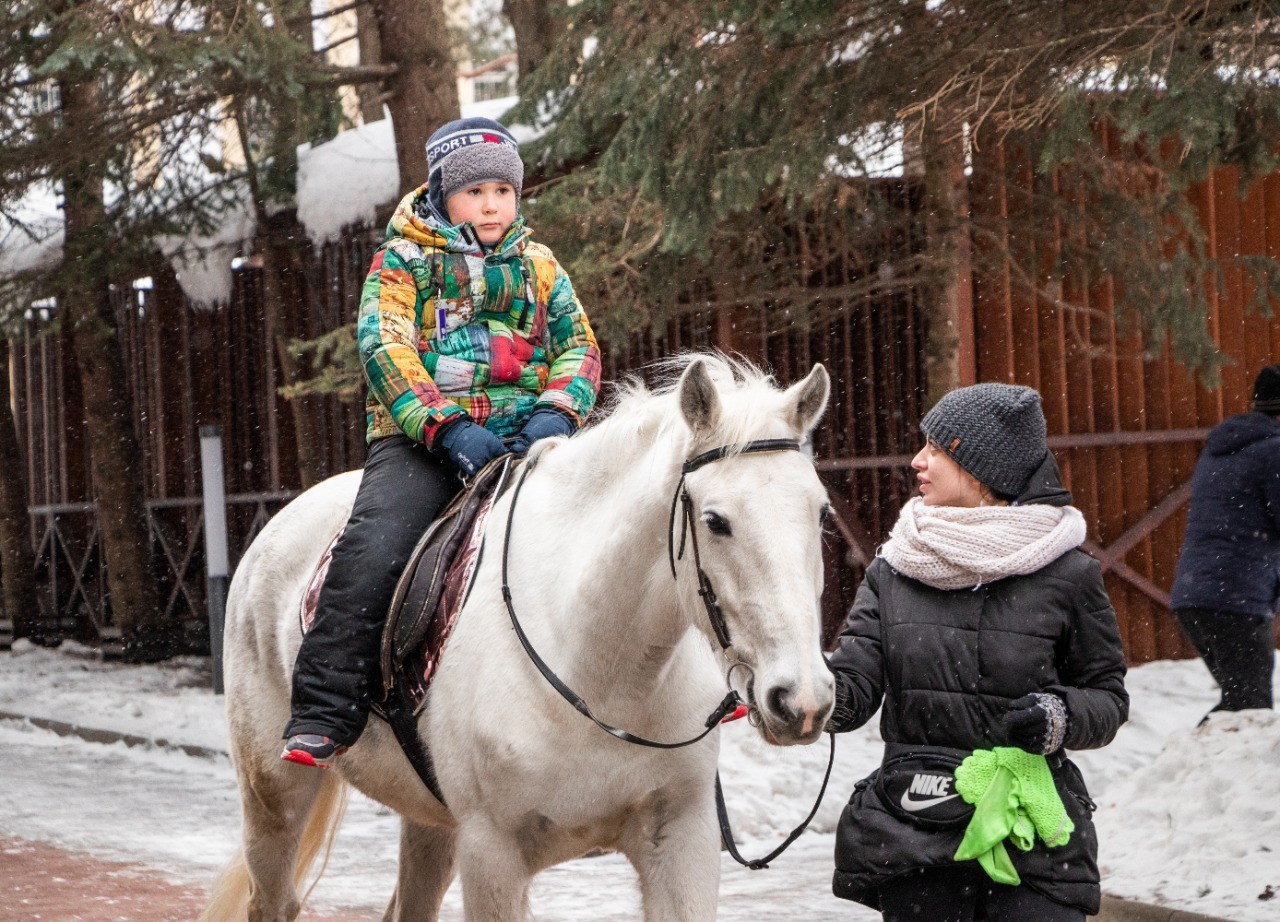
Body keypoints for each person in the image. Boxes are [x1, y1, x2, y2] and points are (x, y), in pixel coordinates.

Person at [280, 116, 602, 768]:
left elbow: (579, 348)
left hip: (530, 433)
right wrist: (446, 427)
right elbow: (385, 348)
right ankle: (325, 708)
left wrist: (556, 415)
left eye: (503, 191)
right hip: (423, 437)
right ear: (442, 195)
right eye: (474, 191)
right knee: (376, 545)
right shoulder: (402, 261)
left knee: (616, 528)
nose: (491, 204)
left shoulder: (540, 267)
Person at [825, 383, 1129, 922]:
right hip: (915, 835)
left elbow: (1105, 696)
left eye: (937, 449)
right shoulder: (893, 569)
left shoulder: (1069, 574)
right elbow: (851, 691)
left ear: (983, 471)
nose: (918, 461)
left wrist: (1060, 716)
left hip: (1032, 840)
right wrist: (798, 688)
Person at [1170, 364, 1280, 717]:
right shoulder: (1272, 452)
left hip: (1199, 594)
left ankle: (1191, 765)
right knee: (1251, 708)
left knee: (1240, 701)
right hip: (1235, 597)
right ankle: (1192, 768)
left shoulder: (1227, 448)